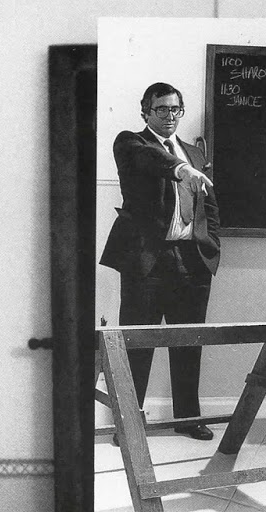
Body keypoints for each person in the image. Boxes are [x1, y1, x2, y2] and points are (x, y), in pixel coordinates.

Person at [100, 82, 221, 440]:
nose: (170, 116)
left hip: (192, 261)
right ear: (146, 112)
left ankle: (188, 419)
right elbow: (152, 161)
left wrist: (211, 245)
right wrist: (182, 170)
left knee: (188, 343)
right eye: (161, 109)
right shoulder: (130, 143)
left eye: (175, 109)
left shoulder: (195, 153)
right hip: (147, 261)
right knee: (138, 345)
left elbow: (210, 207)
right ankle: (128, 426)